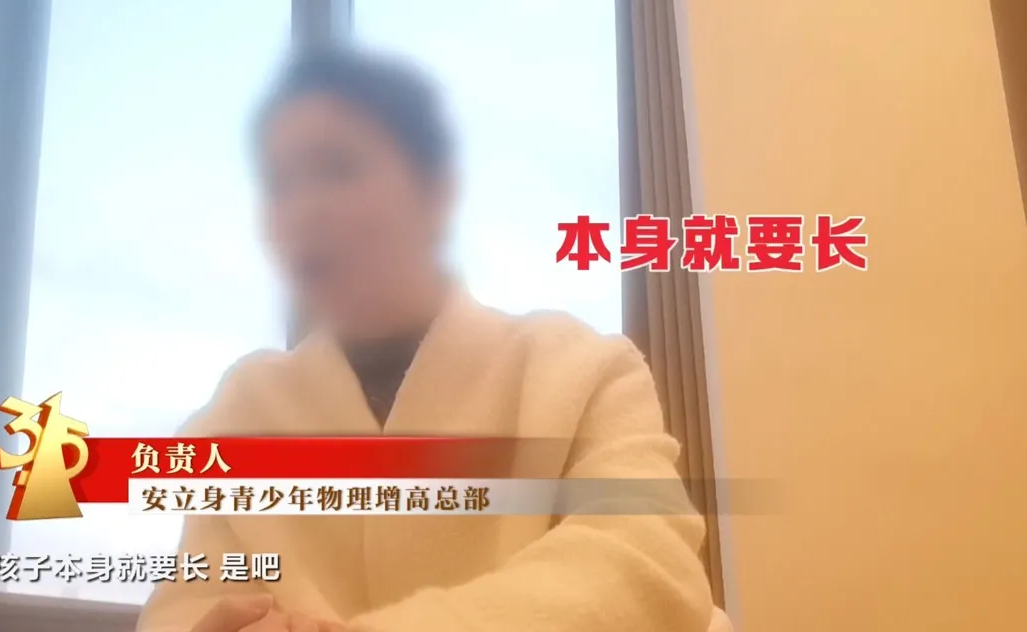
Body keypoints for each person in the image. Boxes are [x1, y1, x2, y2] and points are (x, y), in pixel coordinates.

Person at [137, 46, 731, 632]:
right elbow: (190, 597)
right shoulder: (242, 409)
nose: (303, 211)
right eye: (279, 185)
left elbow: (645, 561)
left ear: (436, 191)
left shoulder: (579, 369)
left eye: (337, 169)